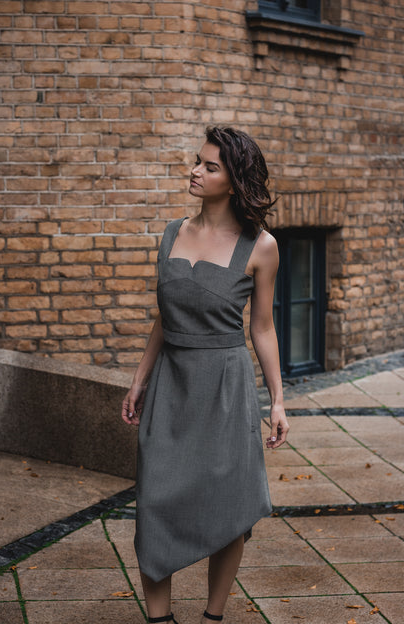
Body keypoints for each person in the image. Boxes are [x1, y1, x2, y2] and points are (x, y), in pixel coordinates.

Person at [122, 126, 289, 624]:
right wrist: (140, 378)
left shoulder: (262, 247)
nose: (195, 171)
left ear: (234, 181)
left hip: (226, 387)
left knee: (229, 508)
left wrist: (277, 401)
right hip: (173, 384)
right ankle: (159, 619)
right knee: (154, 502)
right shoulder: (172, 233)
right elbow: (165, 315)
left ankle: (212, 617)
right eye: (198, 161)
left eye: (210, 166)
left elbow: (262, 328)